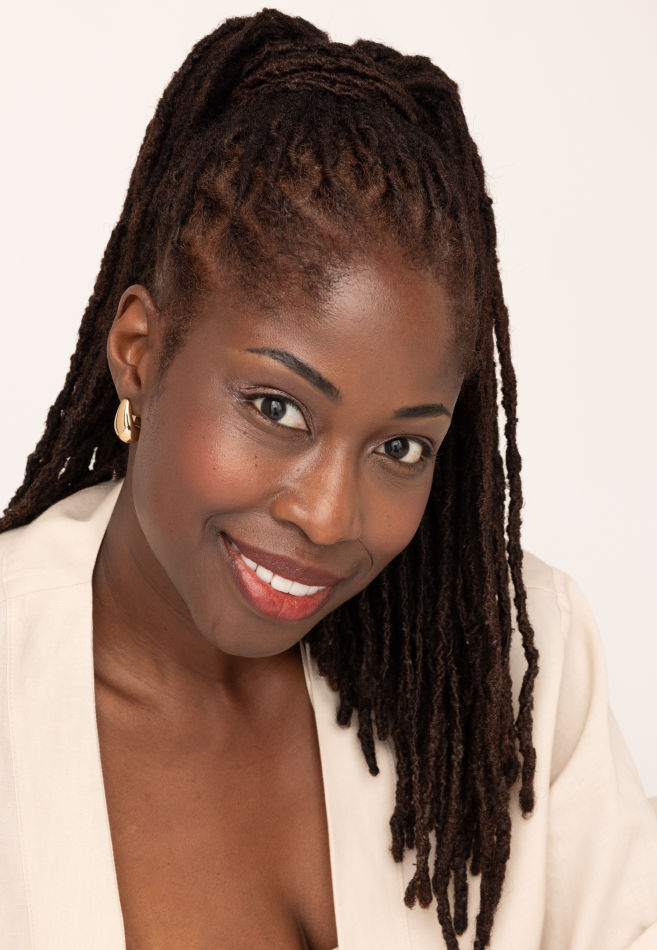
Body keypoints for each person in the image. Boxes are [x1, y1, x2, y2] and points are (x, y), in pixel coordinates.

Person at [0, 8, 656, 950]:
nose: (327, 516)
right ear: (139, 352)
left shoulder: (513, 666)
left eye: (401, 449)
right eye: (276, 408)